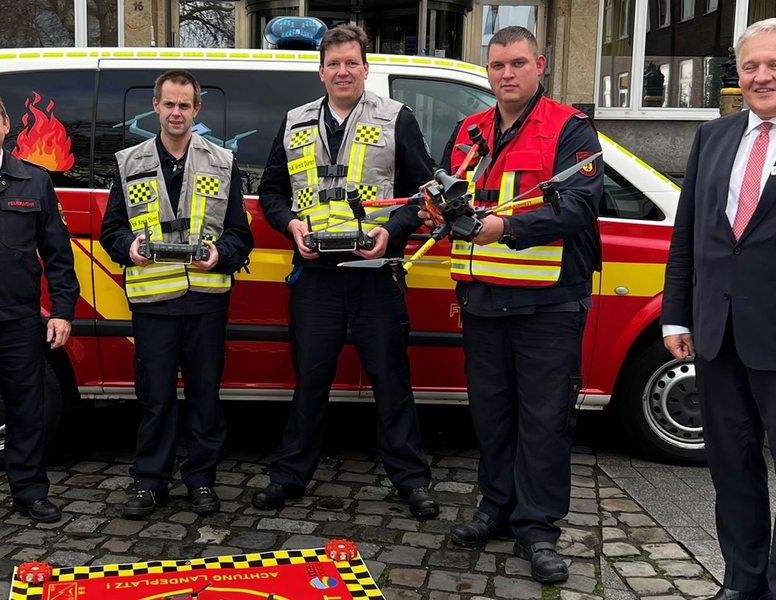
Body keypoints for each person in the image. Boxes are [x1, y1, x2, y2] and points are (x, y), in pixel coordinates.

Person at [425, 26, 603, 583]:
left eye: (518, 63)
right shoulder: (468, 129)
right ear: (487, 69)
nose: (507, 74)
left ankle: (538, 528)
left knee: (545, 420)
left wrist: (504, 227)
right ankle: (494, 507)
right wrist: (433, 207)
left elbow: (579, 204)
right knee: (492, 414)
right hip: (482, 300)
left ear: (540, 65)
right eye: (497, 65)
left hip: (548, 303)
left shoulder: (570, 130)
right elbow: (451, 191)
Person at [253, 23, 439, 519]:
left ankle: (412, 481)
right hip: (315, 276)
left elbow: (426, 192)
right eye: (333, 64)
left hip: (374, 271)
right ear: (320, 71)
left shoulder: (396, 117)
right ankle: (290, 476)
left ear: (365, 67)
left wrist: (391, 232)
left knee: (391, 380)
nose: (342, 71)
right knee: (309, 382)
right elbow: (271, 192)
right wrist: (290, 224)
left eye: (350, 63)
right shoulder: (294, 122)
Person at [100, 70, 253, 518]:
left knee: (206, 396)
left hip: (205, 301)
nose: (176, 112)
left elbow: (240, 236)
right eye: (169, 104)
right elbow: (111, 230)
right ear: (155, 106)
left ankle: (202, 480)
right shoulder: (129, 162)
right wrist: (127, 248)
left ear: (197, 109)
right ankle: (150, 482)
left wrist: (218, 254)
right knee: (155, 397)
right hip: (153, 305)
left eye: (184, 105)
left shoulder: (223, 162)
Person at [662, 18, 776, 600]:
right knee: (732, 468)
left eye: (773, 65)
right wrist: (676, 315)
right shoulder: (714, 137)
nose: (762, 77)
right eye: (751, 66)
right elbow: (690, 235)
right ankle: (743, 581)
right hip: (717, 335)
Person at [0, 86, 79, 523]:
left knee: (27, 410)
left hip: (18, 318)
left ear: (6, 126)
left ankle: (30, 492)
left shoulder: (33, 180)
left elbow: (58, 254)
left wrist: (61, 310)